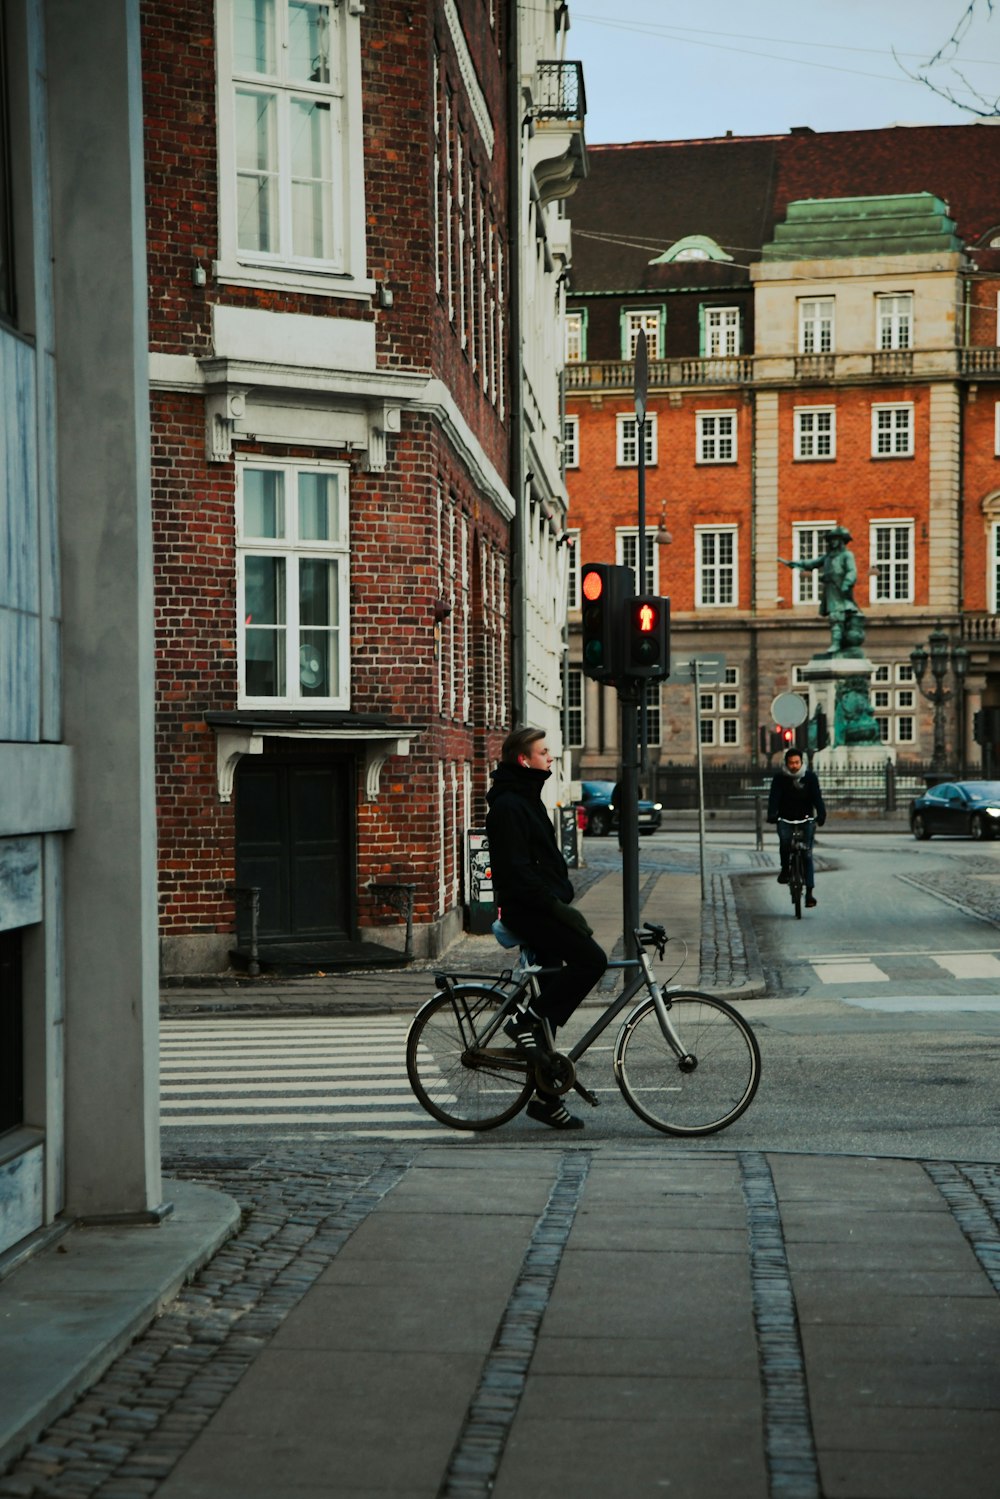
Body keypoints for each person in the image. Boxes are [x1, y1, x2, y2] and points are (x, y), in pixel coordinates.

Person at [485, 727, 608, 1130]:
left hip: (542, 907)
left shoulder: (526, 796)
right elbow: (517, 872)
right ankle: (523, 1023)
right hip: (529, 911)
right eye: (544, 752)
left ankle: (547, 1100)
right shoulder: (508, 805)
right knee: (591, 960)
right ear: (525, 759)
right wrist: (558, 907)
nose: (550, 758)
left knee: (550, 1005)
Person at [778, 526, 864, 655]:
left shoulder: (847, 555)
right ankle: (837, 643)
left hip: (841, 588)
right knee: (835, 615)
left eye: (835, 539)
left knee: (840, 616)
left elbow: (852, 571)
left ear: (841, 541)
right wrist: (795, 563)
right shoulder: (828, 557)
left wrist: (847, 583)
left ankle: (839, 643)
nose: (832, 542)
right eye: (831, 539)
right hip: (831, 589)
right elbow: (811, 563)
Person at [766, 746, 826, 907]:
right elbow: (774, 798)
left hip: (805, 819)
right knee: (785, 843)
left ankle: (810, 893)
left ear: (801, 762)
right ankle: (785, 869)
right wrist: (772, 814)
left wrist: (821, 815)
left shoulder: (810, 778)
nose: (794, 766)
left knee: (806, 854)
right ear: (786, 763)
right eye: (791, 763)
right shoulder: (780, 778)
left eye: (797, 762)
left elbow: (817, 798)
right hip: (785, 818)